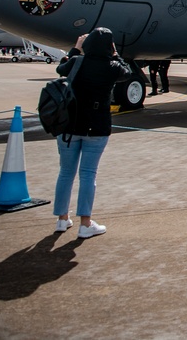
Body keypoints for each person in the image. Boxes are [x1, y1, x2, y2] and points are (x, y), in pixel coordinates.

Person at [53, 28, 131, 238]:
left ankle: (62, 219)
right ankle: (85, 223)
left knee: (66, 173)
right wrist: (115, 53)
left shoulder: (76, 62)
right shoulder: (112, 67)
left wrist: (76, 49)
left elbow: (61, 69)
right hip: (97, 126)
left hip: (70, 126)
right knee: (88, 174)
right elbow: (127, 71)